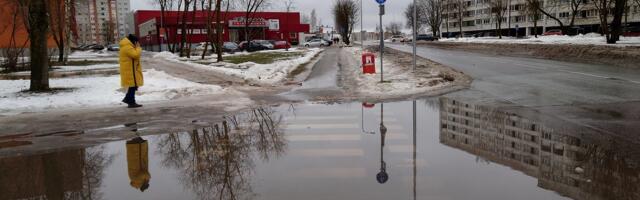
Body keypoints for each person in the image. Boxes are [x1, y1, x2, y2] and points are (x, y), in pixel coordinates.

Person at [119, 34, 144, 108]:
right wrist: (138, 48)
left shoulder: (128, 46)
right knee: (133, 86)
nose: (137, 43)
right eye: (136, 42)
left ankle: (129, 100)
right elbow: (135, 55)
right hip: (130, 70)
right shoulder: (127, 47)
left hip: (131, 69)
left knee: (133, 86)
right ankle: (130, 101)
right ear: (134, 41)